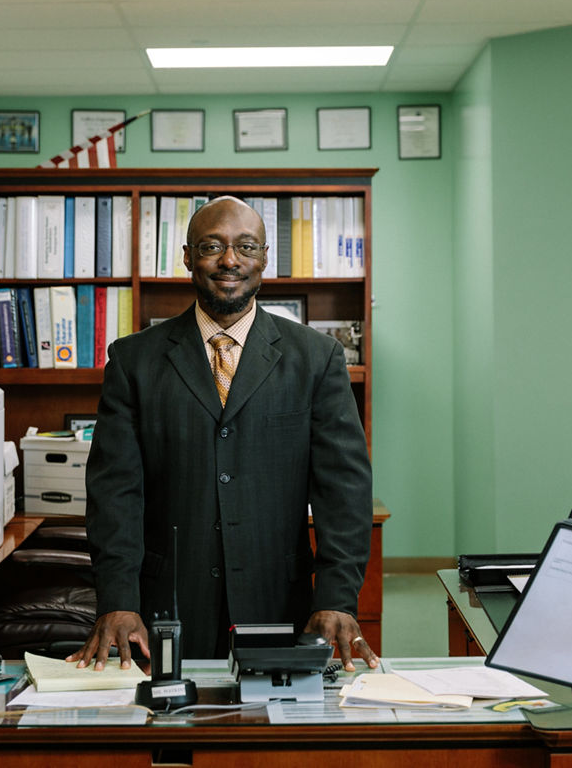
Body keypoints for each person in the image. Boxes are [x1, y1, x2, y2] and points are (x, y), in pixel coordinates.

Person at [68, 196, 378, 672]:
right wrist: (117, 598)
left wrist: (337, 595)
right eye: (212, 246)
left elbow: (344, 488)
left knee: (272, 737)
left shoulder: (316, 359)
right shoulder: (134, 360)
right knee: (165, 735)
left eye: (245, 247)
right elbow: (114, 492)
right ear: (188, 257)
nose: (230, 260)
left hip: (281, 602)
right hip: (162, 608)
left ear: (265, 259)